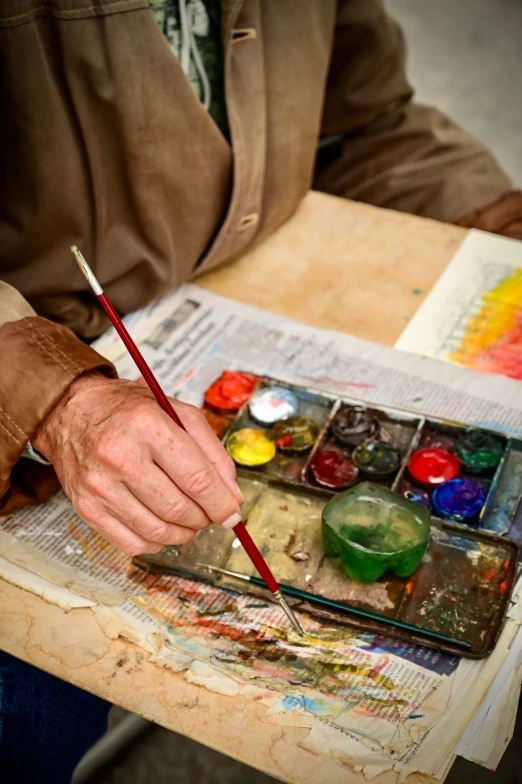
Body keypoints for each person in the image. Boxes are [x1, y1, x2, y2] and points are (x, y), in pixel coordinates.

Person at [0, 1, 521, 781]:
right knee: (35, 713)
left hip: (257, 290)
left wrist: (505, 236)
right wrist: (51, 395)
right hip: (36, 362)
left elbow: (370, 121)